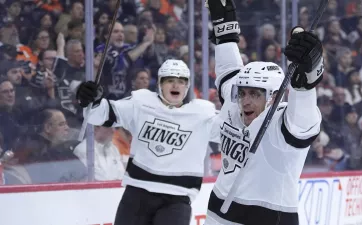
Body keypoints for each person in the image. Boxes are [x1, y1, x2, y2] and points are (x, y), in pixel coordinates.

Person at [204, 0, 323, 224]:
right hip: (217, 213)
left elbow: (303, 125)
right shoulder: (235, 101)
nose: (245, 101)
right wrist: (225, 31)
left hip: (270, 218)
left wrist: (305, 82)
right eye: (243, 93)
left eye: (255, 94)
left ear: (274, 97)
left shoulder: (282, 121)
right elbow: (229, 71)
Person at [76, 59, 220, 225]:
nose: (175, 86)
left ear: (187, 86)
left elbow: (232, 132)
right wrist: (89, 100)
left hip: (176, 199)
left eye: (181, 82)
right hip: (137, 194)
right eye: (170, 81)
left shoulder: (203, 114)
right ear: (160, 83)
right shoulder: (141, 103)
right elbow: (100, 114)